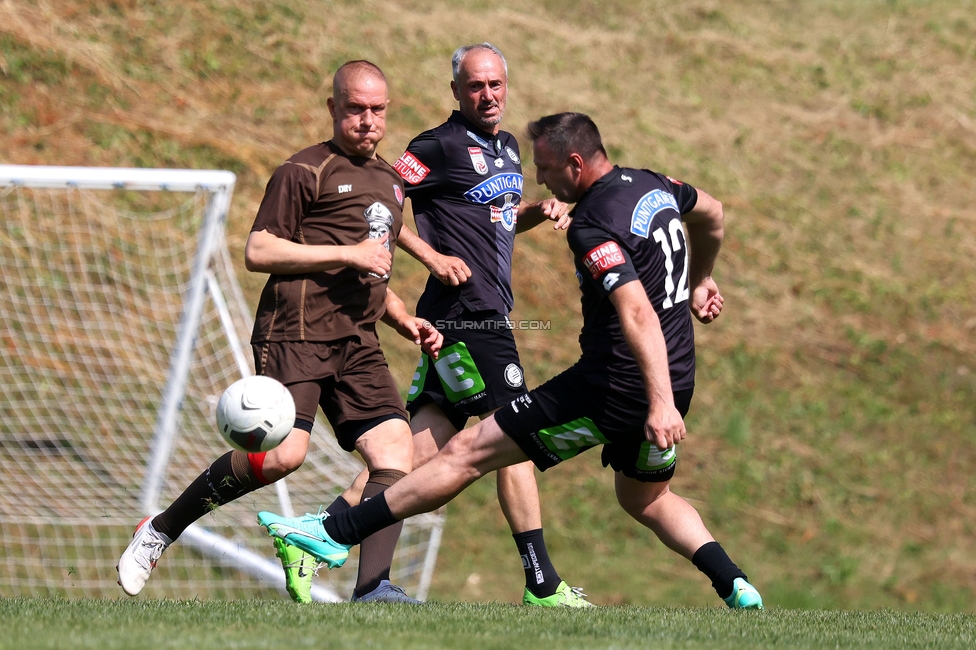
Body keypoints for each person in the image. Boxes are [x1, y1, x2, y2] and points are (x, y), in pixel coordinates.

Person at [257, 111, 764, 610]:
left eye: (544, 168)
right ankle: (735, 584)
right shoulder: (655, 184)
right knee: (644, 499)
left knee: (470, 450)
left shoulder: (590, 224)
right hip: (673, 377)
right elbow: (713, 213)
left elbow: (635, 312)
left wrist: (657, 403)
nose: (538, 178)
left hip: (618, 384)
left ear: (575, 162)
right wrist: (699, 279)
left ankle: (332, 533)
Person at [269, 42, 589, 607]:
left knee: (412, 456)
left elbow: (495, 219)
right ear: (456, 92)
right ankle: (542, 583)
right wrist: (430, 257)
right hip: (465, 316)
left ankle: (320, 537)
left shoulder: (510, 148)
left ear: (506, 87)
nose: (486, 94)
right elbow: (384, 197)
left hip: (488, 311)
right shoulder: (434, 146)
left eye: (494, 84)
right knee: (512, 432)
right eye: (474, 86)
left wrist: (533, 213)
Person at [117, 60, 443, 602]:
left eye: (377, 110)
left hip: (358, 340)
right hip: (295, 333)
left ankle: (374, 590)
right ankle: (160, 530)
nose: (367, 120)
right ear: (334, 109)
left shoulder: (390, 180)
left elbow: (372, 269)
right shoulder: (303, 170)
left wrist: (404, 317)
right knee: (284, 457)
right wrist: (346, 252)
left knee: (395, 455)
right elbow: (258, 249)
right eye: (356, 109)